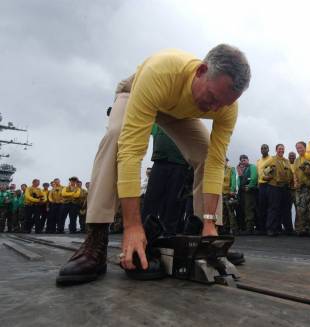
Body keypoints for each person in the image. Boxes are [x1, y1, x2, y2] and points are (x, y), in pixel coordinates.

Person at [57, 44, 250, 285]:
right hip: (138, 92)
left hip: (178, 110)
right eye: (212, 97)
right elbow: (131, 151)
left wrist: (210, 221)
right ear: (200, 71)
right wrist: (133, 227)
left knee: (206, 154)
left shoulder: (225, 105)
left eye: (224, 104)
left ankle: (208, 238)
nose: (215, 109)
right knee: (116, 137)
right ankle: (95, 241)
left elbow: (215, 161)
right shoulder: (161, 71)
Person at [141, 124, 191, 236]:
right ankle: (144, 235)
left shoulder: (187, 122)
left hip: (180, 165)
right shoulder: (156, 123)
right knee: (150, 200)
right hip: (159, 163)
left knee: (173, 202)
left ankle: (169, 235)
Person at [263, 144, 294, 236]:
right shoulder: (271, 159)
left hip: (285, 187)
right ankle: (271, 229)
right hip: (274, 186)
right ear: (276, 150)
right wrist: (270, 169)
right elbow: (264, 171)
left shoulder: (286, 161)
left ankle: (288, 229)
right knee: (274, 208)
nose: (281, 150)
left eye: (283, 149)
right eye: (279, 149)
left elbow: (291, 174)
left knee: (286, 208)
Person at [293, 142, 310, 236]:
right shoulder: (296, 160)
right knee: (301, 208)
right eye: (297, 148)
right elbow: (295, 173)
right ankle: (302, 229)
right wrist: (296, 183)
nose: (299, 149)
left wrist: (306, 169)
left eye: (300, 147)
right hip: (300, 188)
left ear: (305, 147)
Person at [236, 154, 258, 234]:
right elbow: (239, 181)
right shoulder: (243, 170)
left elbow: (254, 177)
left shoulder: (252, 167)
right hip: (242, 192)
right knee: (243, 208)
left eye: (244, 160)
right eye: (241, 161)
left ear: (248, 160)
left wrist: (250, 186)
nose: (243, 162)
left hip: (249, 192)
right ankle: (245, 227)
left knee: (249, 208)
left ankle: (250, 228)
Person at [256, 144, 272, 234]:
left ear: (268, 149)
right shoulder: (258, 161)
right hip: (261, 186)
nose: (263, 150)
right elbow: (259, 174)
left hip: (269, 185)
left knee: (270, 207)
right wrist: (258, 183)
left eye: (265, 148)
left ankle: (269, 227)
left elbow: (272, 170)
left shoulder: (271, 159)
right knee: (262, 207)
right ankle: (262, 228)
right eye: (262, 148)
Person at [221, 158, 238, 235]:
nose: (223, 162)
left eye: (225, 160)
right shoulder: (219, 170)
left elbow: (233, 180)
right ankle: (225, 228)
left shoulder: (231, 169)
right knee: (223, 212)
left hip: (229, 193)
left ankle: (233, 228)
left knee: (230, 211)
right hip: (221, 194)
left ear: (227, 161)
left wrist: (232, 190)